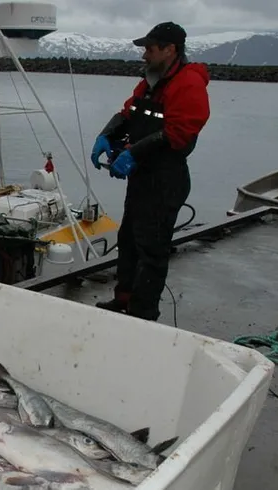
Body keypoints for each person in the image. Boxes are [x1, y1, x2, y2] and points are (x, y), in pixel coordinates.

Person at [89, 21, 210, 321]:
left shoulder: (189, 83)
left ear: (170, 50)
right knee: (129, 239)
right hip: (143, 176)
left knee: (152, 250)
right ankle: (124, 300)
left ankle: (143, 315)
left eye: (150, 49)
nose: (145, 55)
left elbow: (181, 132)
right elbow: (129, 111)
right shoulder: (152, 81)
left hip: (165, 179)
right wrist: (108, 135)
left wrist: (134, 153)